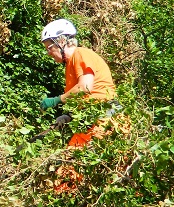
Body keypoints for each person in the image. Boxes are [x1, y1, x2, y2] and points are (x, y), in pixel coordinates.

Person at [39, 18, 117, 148]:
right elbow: (83, 97)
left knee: (72, 158)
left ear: (61, 41)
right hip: (92, 116)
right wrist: (68, 116)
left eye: (49, 47)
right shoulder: (71, 64)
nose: (48, 53)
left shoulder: (80, 54)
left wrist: (56, 100)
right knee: (71, 156)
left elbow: (85, 87)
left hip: (104, 115)